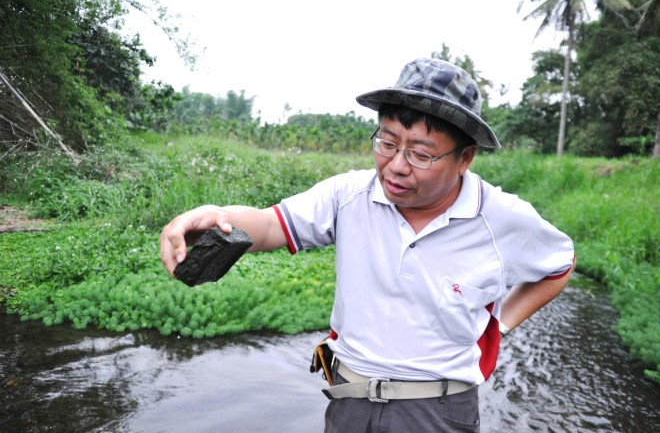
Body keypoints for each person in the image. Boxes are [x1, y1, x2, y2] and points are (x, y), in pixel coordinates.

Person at [160, 57, 575, 432]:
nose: (395, 165)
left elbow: (560, 264)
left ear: (464, 158)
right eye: (388, 143)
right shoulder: (349, 195)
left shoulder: (501, 218)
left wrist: (498, 324)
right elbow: (270, 224)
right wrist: (217, 215)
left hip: (439, 410)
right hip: (349, 401)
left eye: (420, 154)